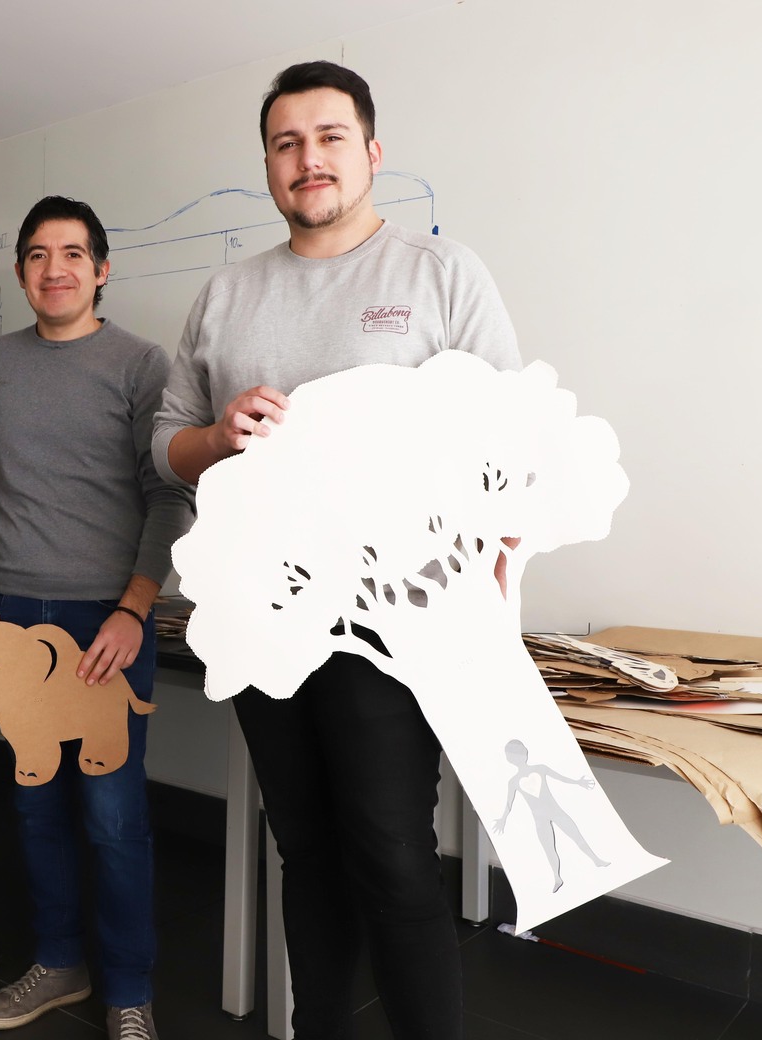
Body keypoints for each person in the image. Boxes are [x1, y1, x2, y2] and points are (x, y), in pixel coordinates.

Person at [152, 61, 522, 1040]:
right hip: (265, 615)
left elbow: (509, 441)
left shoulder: (442, 273)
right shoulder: (226, 294)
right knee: (305, 850)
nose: (307, 159)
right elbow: (166, 440)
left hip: (392, 624)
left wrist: (494, 572)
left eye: (328, 138)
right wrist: (216, 435)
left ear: (372, 152)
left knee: (392, 856)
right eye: (286, 143)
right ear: (268, 166)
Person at [0, 196, 194, 1040]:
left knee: (112, 816)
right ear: (21, 270)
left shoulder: (140, 363)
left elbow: (169, 493)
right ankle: (58, 963)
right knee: (33, 805)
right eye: (37, 255)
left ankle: (129, 990)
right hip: (11, 616)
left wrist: (135, 609)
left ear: (101, 269)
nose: (54, 269)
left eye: (72, 254)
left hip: (103, 621)